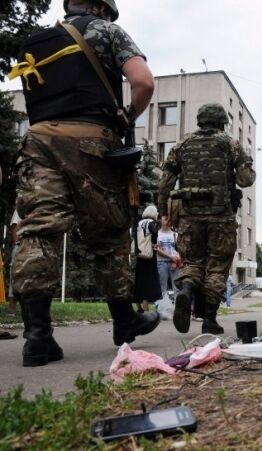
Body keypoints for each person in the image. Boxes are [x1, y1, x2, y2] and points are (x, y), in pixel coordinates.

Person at [8, 0, 157, 366]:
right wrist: (126, 117)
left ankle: (37, 337)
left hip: (39, 142)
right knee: (107, 235)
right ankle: (125, 322)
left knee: (38, 231)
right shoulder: (104, 30)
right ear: (100, 7)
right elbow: (143, 82)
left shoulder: (37, 41)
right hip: (91, 140)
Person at [158, 103, 256, 334]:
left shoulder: (182, 144)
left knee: (192, 262)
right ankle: (210, 320)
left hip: (189, 217)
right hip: (220, 216)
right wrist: (245, 165)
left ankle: (187, 291)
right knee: (217, 267)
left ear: (200, 120)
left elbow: (165, 182)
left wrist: (164, 211)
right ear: (222, 121)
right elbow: (245, 180)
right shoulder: (229, 143)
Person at [133, 206, 161, 312]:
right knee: (148, 280)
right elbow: (154, 233)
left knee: (139, 279)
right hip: (149, 255)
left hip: (139, 253)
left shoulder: (139, 223)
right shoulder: (151, 223)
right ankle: (145, 305)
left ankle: (138, 305)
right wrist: (154, 244)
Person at [156, 215, 180, 302]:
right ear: (161, 221)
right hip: (161, 262)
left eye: (168, 219)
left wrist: (176, 261)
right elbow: (157, 249)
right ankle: (162, 307)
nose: (167, 221)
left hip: (174, 262)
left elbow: (179, 249)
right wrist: (171, 257)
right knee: (163, 287)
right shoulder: (157, 234)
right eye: (165, 218)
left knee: (176, 287)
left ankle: (178, 308)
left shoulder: (175, 234)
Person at [6, 211, 21, 317]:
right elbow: (14, 226)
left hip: (37, 246)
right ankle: (12, 308)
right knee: (15, 275)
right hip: (21, 245)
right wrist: (17, 244)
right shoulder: (23, 204)